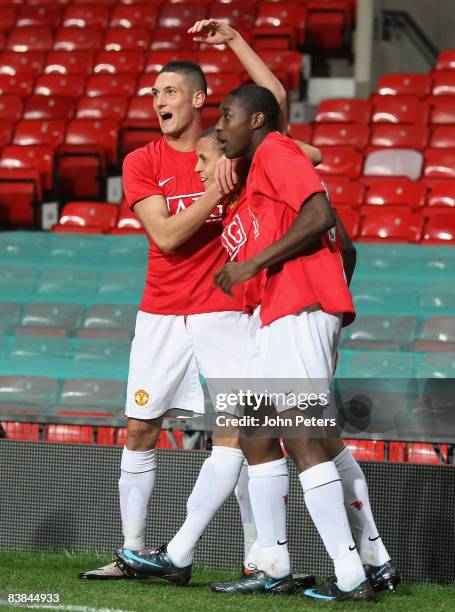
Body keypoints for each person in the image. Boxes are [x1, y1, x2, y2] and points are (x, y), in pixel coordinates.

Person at [79, 20, 320, 582]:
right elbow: (164, 237)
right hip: (161, 311)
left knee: (245, 432)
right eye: (154, 93)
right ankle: (132, 549)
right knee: (141, 428)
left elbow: (272, 108)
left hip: (225, 313)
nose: (158, 100)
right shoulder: (144, 162)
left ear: (198, 99)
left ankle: (256, 558)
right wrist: (219, 186)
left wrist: (235, 41)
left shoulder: (226, 146)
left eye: (168, 91)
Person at [206, 84, 399, 601]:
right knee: (253, 430)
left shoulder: (276, 149)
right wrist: (332, 304)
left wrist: (304, 295)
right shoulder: (256, 181)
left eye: (226, 116)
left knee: (305, 439)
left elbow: (318, 216)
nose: (220, 127)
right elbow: (348, 248)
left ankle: (352, 574)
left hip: (296, 311)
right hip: (281, 315)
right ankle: (273, 561)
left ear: (259, 120)